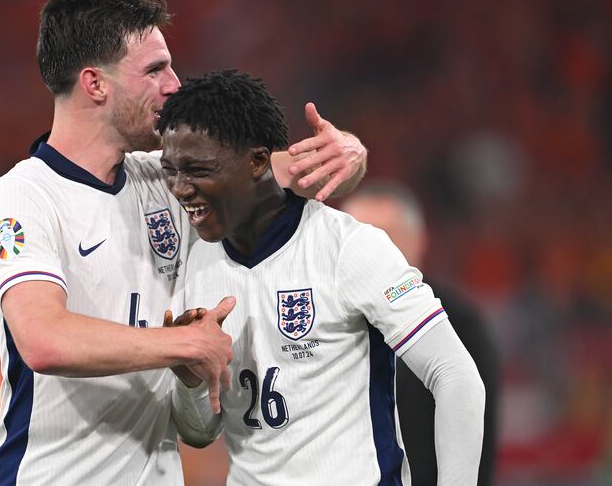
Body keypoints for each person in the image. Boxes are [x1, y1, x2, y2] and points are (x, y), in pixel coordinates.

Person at [0, 0, 367, 485]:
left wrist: (349, 150)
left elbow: (307, 169)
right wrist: (184, 345)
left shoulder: (164, 180)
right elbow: (44, 339)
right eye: (155, 69)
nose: (175, 84)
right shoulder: (22, 198)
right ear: (96, 84)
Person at [160, 70, 485, 485]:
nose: (180, 188)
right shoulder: (194, 268)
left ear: (258, 160)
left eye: (197, 170)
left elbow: (456, 376)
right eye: (170, 170)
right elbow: (200, 432)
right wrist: (189, 379)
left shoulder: (347, 248)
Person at [340, 180, 499, 485]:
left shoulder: (460, 324)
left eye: (387, 237)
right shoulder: (324, 319)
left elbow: (479, 440)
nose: (371, 253)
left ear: (419, 239)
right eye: (358, 238)